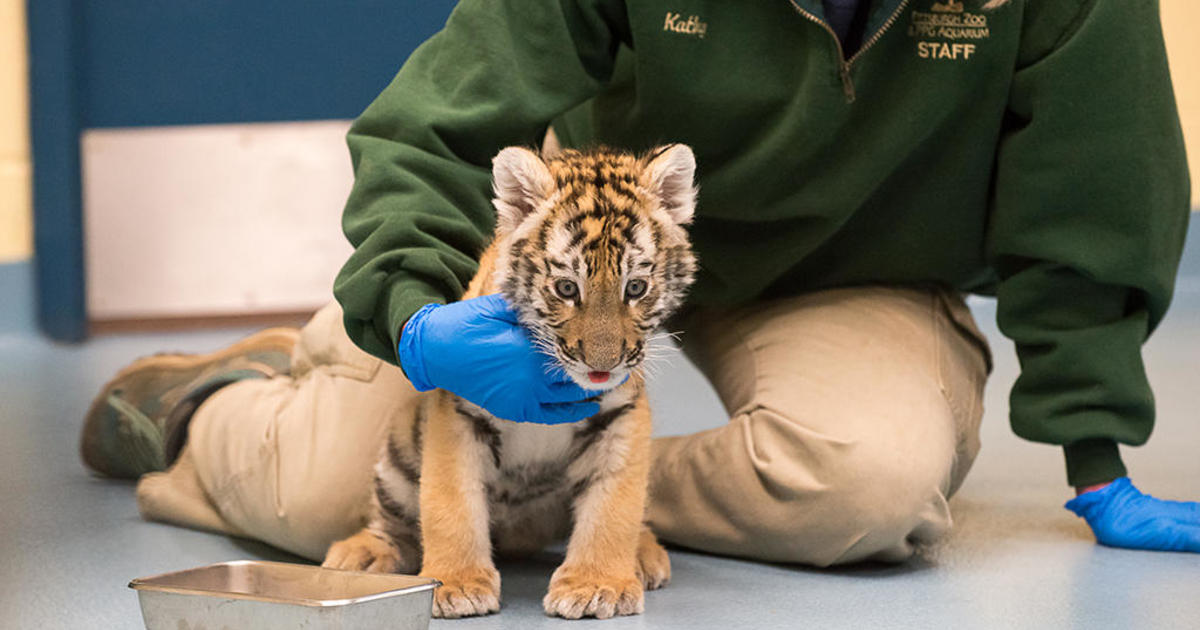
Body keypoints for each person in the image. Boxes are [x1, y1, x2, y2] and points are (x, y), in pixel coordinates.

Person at [81, 0, 1199, 566]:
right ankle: (209, 404)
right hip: (592, 266)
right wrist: (413, 317)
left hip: (852, 276)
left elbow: (1093, 187)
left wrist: (1095, 456)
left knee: (870, 486)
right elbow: (430, 128)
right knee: (342, 496)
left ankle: (552, 493)